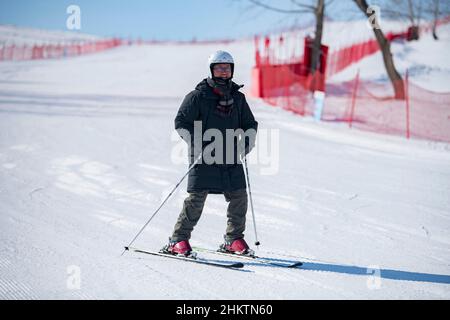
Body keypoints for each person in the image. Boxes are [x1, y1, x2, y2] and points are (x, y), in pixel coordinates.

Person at [161, 50, 258, 257]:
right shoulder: (197, 96)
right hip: (203, 155)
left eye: (227, 68)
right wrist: (195, 142)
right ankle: (178, 240)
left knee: (239, 195)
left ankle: (234, 239)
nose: (223, 72)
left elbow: (249, 123)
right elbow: (181, 122)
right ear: (211, 70)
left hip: (230, 155)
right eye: (219, 68)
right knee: (197, 198)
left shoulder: (238, 99)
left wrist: (247, 140)